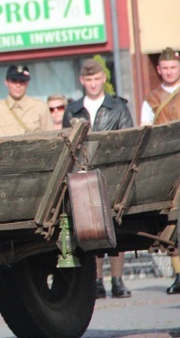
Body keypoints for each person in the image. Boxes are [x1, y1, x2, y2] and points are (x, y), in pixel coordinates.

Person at [63, 59, 133, 299]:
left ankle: (117, 280)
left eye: (96, 79)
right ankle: (97, 282)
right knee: (89, 227)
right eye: (88, 80)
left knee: (115, 227)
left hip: (111, 173)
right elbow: (66, 146)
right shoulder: (72, 110)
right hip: (83, 176)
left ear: (104, 78)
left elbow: (127, 141)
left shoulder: (118, 107)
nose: (93, 84)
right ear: (82, 81)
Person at [139, 47, 180, 294]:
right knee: (172, 221)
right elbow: (146, 130)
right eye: (164, 68)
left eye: (173, 68)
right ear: (158, 70)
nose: (168, 72)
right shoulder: (151, 99)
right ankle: (178, 274)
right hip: (167, 166)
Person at [0, 66, 52, 137]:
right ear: (6, 82)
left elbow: (51, 139)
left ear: (27, 83)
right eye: (14, 81)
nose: (18, 85)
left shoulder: (40, 108)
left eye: (22, 81)